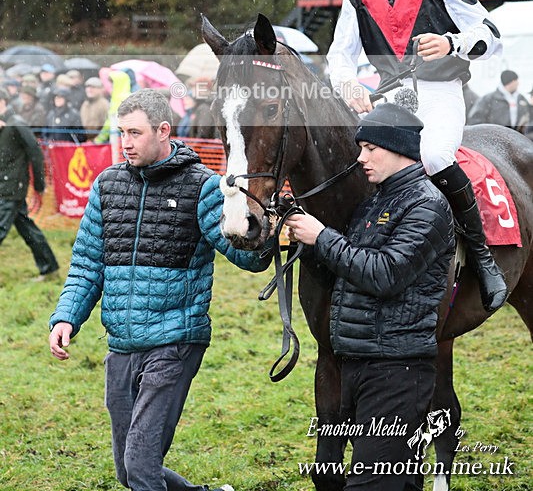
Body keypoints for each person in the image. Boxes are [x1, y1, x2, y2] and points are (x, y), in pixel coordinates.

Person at [49, 88, 271, 491]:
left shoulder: (202, 187)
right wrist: (66, 317)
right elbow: (86, 263)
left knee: (140, 464)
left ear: (164, 130)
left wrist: (263, 227)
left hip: (174, 342)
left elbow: (249, 258)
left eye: (135, 133)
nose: (126, 142)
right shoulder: (106, 185)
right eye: (122, 132)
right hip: (121, 345)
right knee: (129, 471)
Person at [327, 0, 507, 312]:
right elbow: (338, 56)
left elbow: (491, 36)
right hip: (390, 99)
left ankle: (482, 257)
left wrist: (451, 43)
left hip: (439, 90)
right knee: (353, 166)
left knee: (434, 157)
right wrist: (348, 84)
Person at [286, 103, 455, 491]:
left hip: (396, 372)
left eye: (370, 148)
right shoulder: (374, 202)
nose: (360, 157)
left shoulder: (426, 205)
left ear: (398, 149)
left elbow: (385, 275)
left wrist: (322, 236)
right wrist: (305, 243)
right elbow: (349, 271)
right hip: (360, 362)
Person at [0, 87, 59, 280]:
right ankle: (50, 269)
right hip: (6, 185)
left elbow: (36, 153)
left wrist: (39, 185)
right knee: (28, 229)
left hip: (12, 187)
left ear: (2, 102)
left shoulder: (17, 124)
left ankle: (50, 269)